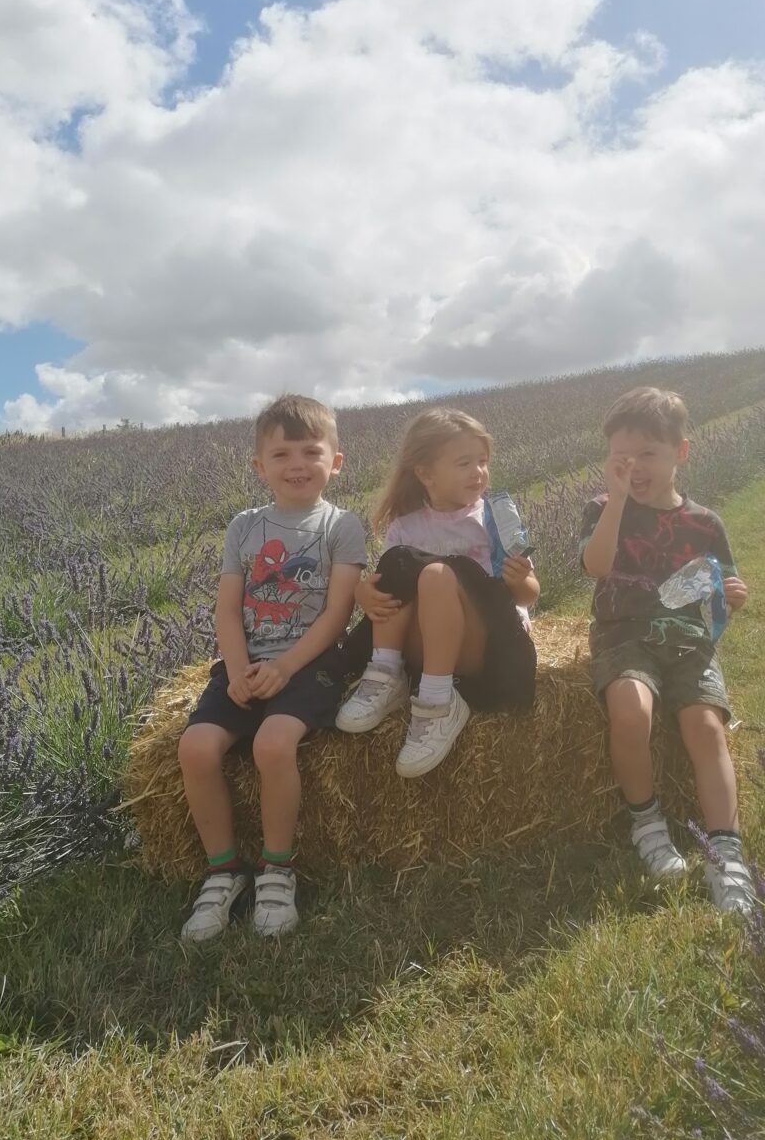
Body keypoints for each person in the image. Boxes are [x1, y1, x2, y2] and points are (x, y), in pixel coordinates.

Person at [176, 395, 367, 942]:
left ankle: (276, 870)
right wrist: (238, 670)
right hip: (247, 662)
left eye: (311, 451)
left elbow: (337, 614)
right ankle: (223, 871)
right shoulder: (243, 527)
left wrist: (284, 667)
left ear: (336, 462)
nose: (297, 464)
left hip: (310, 664)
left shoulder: (341, 526)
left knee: (273, 744)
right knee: (195, 748)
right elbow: (227, 610)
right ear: (260, 467)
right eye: (281, 454)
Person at [580, 386, 754, 914]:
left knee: (706, 728)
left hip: (688, 639)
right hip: (623, 634)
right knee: (631, 710)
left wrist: (733, 595)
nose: (633, 467)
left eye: (647, 454)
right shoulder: (601, 509)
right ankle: (648, 824)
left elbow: (720, 587)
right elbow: (596, 567)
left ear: (681, 452)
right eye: (621, 457)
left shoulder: (706, 523)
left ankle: (726, 852)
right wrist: (615, 503)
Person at [335, 408, 540, 776]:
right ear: (426, 474)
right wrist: (363, 595)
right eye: (464, 463)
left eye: (482, 461)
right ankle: (386, 676)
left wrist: (518, 580)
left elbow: (528, 596)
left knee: (435, 575)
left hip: (489, 650)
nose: (478, 471)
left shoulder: (494, 519)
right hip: (424, 651)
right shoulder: (404, 528)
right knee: (399, 564)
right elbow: (389, 594)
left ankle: (437, 702)